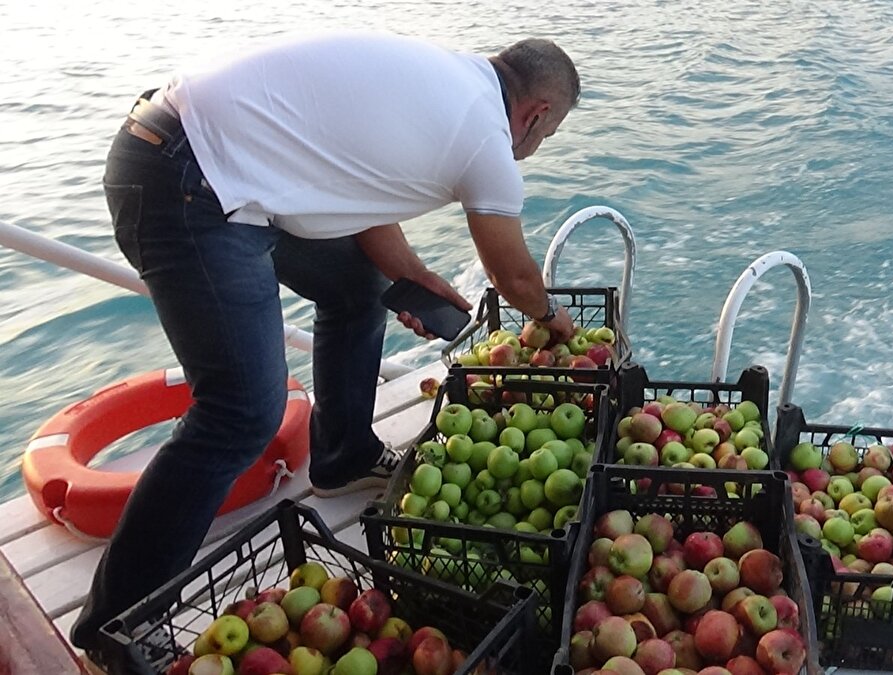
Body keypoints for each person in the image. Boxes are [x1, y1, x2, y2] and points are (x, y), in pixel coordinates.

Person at [70, 30, 579, 650]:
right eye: (544, 139)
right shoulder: (487, 138)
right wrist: (552, 317)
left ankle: (342, 456)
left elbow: (361, 186)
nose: (533, 149)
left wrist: (413, 276)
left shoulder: (446, 79)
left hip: (198, 158)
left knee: (355, 286)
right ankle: (114, 626)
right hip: (189, 180)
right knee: (240, 413)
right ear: (538, 113)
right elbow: (515, 276)